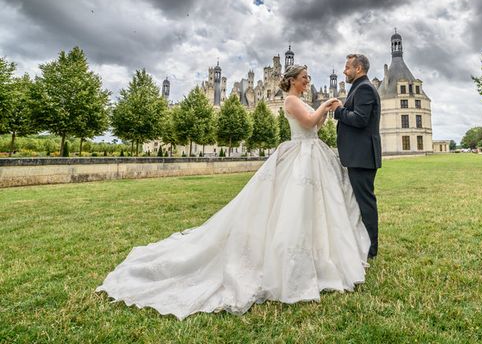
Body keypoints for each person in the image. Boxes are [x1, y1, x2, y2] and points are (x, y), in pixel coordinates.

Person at [96, 64, 370, 319]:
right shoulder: (290, 100)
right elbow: (309, 123)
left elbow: (316, 125)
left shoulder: (302, 101)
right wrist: (326, 105)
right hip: (300, 153)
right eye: (304, 77)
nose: (308, 81)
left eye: (309, 77)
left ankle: (316, 254)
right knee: (292, 206)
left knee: (312, 207)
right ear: (292, 81)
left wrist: (322, 110)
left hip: (311, 153)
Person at [328, 54, 381, 260]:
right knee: (360, 201)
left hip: (362, 156)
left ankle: (371, 248)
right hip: (359, 155)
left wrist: (338, 110)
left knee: (365, 202)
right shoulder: (359, 88)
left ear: (358, 68)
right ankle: (363, 242)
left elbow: (360, 119)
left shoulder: (365, 88)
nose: (344, 71)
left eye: (347, 67)